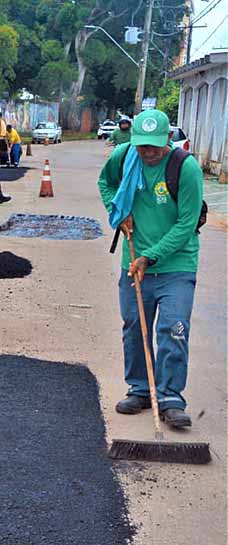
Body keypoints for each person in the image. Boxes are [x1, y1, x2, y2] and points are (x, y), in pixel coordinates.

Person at [97, 109, 204, 429]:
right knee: (134, 327)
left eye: (154, 146)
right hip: (134, 262)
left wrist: (151, 256)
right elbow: (105, 183)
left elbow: (187, 223)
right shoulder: (124, 155)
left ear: (168, 139)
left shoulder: (186, 168)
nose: (147, 152)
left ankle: (170, 397)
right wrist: (119, 212)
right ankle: (141, 390)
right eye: (142, 146)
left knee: (173, 328)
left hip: (176, 265)